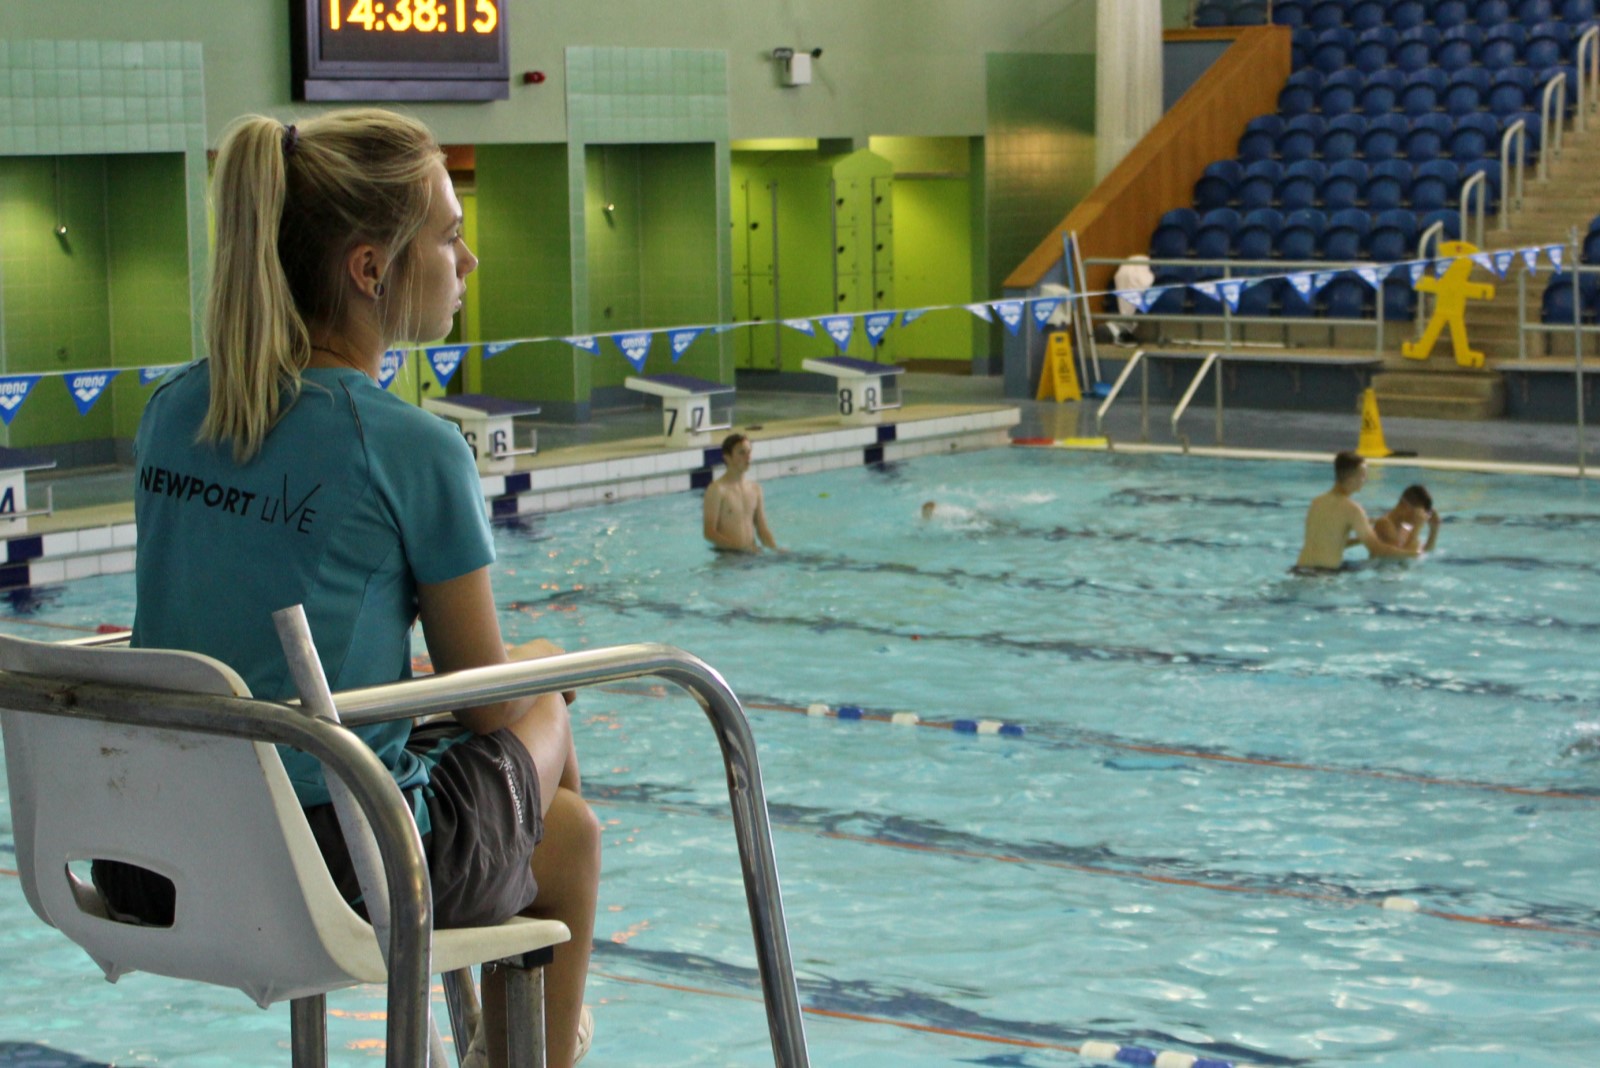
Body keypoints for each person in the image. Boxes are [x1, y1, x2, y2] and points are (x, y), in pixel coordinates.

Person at [124, 110, 597, 1066]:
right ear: (371, 269)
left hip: (152, 850)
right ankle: (545, 1047)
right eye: (450, 236)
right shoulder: (411, 448)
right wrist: (544, 672)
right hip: (336, 866)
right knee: (567, 804)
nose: (468, 262)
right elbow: (490, 713)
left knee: (539, 776)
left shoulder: (174, 412)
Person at [1294, 451, 1422, 571]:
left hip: (1299, 569)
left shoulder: (1317, 502)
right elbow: (1377, 550)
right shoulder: (1353, 509)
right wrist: (1411, 554)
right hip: (1322, 576)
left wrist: (1361, 537)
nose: (1365, 480)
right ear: (1351, 479)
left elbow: (1328, 543)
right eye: (1363, 476)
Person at [703, 432, 781, 552]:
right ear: (727, 458)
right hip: (730, 557)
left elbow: (762, 529)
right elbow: (709, 532)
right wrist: (737, 549)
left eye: (749, 452)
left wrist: (776, 551)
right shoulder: (717, 490)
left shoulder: (755, 489)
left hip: (752, 553)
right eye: (742, 453)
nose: (748, 457)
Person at [1373, 484, 1441, 556]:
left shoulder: (1405, 525)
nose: (1419, 517)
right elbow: (1407, 557)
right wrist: (1417, 527)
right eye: (1418, 513)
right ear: (1405, 505)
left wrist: (1434, 530)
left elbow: (1423, 552)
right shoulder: (1384, 524)